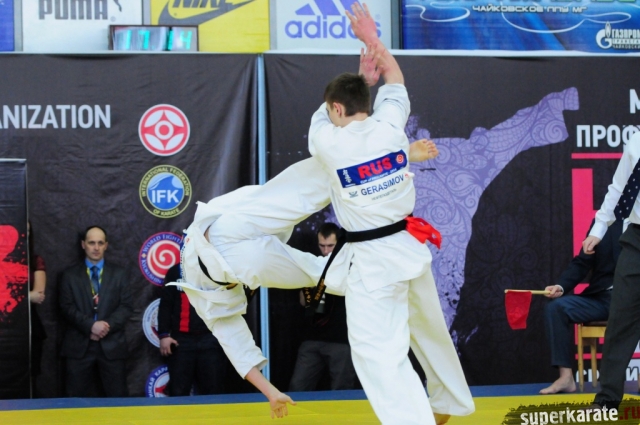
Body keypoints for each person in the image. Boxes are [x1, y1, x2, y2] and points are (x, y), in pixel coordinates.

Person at [305, 4, 475, 424]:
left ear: (336, 109)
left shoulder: (330, 143)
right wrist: (372, 40)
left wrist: (360, 78)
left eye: (332, 109)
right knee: (431, 332)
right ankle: (447, 404)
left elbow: (326, 115)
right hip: (409, 249)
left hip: (374, 263)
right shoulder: (390, 127)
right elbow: (395, 78)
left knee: (378, 354)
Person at [583, 131, 640, 410]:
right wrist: (599, 228)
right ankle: (607, 399)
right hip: (637, 237)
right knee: (621, 318)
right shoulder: (637, 139)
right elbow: (619, 186)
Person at [539, 219, 622, 395]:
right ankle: (566, 377)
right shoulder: (603, 222)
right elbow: (583, 262)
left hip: (633, 298)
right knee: (556, 308)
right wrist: (560, 286)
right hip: (601, 298)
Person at [58, 226, 133, 397]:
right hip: (79, 346)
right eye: (92, 243)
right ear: (83, 244)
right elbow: (66, 307)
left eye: (100, 243)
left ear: (106, 245)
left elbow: (126, 307)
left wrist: (105, 326)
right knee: (74, 401)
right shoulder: (69, 275)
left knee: (117, 400)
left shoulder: (120, 274)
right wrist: (91, 326)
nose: (96, 247)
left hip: (112, 345)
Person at [289, 223, 357, 392]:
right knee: (298, 388)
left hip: (341, 339)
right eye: (322, 246)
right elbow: (304, 302)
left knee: (342, 391)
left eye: (330, 246)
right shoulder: (313, 264)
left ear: (339, 244)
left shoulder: (353, 265)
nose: (326, 251)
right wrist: (311, 284)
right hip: (311, 337)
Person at [158, 263, 228, 396]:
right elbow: (166, 304)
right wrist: (164, 334)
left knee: (214, 391)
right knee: (178, 391)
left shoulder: (217, 270)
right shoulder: (176, 271)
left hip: (211, 339)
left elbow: (230, 303)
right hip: (181, 342)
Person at [27, 221, 47, 397]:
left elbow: (38, 295)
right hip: (4, 327)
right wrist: (27, 296)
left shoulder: (35, 260)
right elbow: (31, 296)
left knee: (29, 377)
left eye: (26, 230)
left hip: (30, 327)